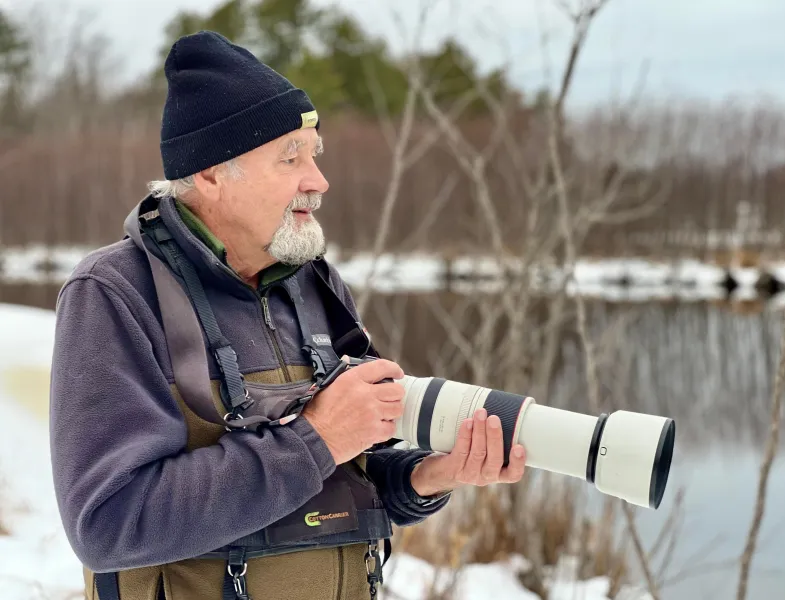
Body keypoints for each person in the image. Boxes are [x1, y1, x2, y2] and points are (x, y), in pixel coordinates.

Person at [49, 31, 527, 600]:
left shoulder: (314, 283)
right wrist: (315, 437)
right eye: (290, 158)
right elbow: (109, 523)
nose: (318, 181)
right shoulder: (115, 293)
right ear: (211, 173)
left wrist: (426, 477)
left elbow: (345, 477)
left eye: (314, 155)